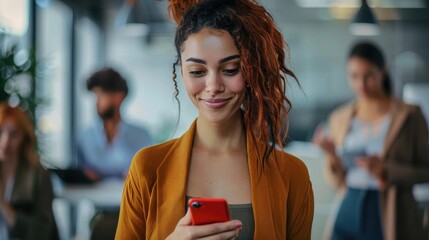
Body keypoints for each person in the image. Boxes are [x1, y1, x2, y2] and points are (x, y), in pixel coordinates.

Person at [115, 0, 314, 239]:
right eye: (197, 72)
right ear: (181, 73)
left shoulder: (292, 175)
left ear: (251, 70)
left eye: (230, 69)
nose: (213, 87)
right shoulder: (147, 168)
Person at [314, 42, 429, 240]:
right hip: (348, 205)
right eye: (354, 76)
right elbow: (336, 181)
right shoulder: (339, 117)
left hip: (388, 211)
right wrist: (332, 155)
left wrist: (386, 170)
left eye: (368, 75)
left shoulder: (409, 115)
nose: (361, 84)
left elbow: (426, 171)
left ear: (382, 72)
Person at [76, 67, 153, 180]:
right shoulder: (84, 136)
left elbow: (147, 173)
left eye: (101, 95)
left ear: (119, 97)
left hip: (129, 196)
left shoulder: (142, 136)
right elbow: (80, 173)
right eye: (95, 96)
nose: (97, 102)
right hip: (90, 196)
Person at [0, 103, 58, 240]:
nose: (5, 142)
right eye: (0, 132)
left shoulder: (38, 176)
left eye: (14, 134)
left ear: (24, 138)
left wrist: (3, 206)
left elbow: (41, 233)